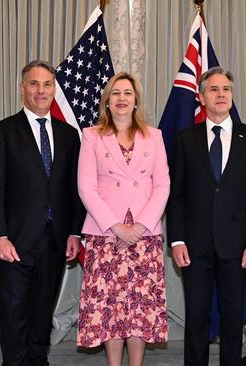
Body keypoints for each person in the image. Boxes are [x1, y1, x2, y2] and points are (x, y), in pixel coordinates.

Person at [0, 60, 85, 366]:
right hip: (14, 242)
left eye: (46, 85)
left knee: (42, 314)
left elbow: (74, 189)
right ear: (22, 88)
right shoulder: (3, 132)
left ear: (54, 89)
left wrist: (74, 232)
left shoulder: (69, 135)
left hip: (54, 242)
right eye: (34, 84)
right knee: (14, 317)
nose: (41, 91)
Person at [166, 67, 246, 366]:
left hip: (236, 245)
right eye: (213, 89)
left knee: (232, 317)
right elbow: (178, 195)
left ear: (232, 96)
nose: (221, 94)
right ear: (201, 96)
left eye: (226, 89)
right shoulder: (186, 138)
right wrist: (177, 240)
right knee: (196, 316)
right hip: (195, 245)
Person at [76, 72, 170, 366]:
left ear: (136, 100)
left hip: (144, 236)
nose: (121, 98)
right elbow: (85, 186)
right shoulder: (91, 136)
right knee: (110, 309)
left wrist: (139, 228)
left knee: (139, 309)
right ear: (107, 101)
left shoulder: (154, 136)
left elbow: (163, 185)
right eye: (115, 93)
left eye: (127, 93)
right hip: (106, 236)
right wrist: (116, 227)